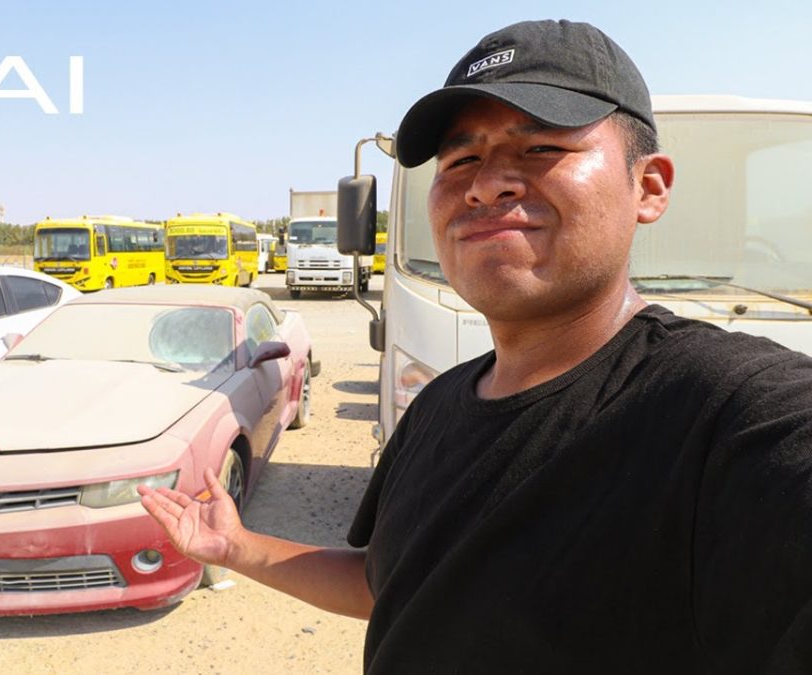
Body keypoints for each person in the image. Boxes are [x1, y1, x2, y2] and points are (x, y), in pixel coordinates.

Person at [139, 19, 812, 674]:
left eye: (541, 147)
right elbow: (390, 587)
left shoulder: (729, 412)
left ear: (650, 187)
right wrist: (238, 546)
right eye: (461, 159)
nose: (486, 183)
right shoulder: (434, 408)